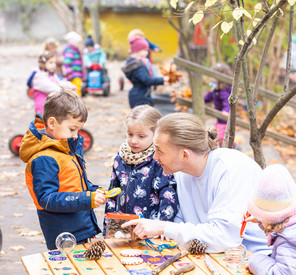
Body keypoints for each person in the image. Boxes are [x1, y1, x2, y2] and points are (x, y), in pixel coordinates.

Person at [122, 112, 271, 254]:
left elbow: (224, 238)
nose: (154, 157)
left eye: (159, 151)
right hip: (211, 255)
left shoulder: (231, 168)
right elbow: (181, 223)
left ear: (184, 154)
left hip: (255, 257)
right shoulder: (181, 173)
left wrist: (163, 227)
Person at [19, 89, 106, 250]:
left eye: (78, 130)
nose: (76, 135)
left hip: (79, 228)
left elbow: (75, 183)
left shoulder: (65, 148)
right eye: (72, 129)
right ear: (52, 123)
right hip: (64, 235)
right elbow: (47, 199)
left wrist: (94, 190)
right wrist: (87, 199)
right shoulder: (44, 158)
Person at [104, 105, 178, 223]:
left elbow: (167, 195)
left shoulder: (159, 161)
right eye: (130, 134)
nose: (134, 140)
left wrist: (163, 226)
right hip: (124, 227)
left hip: (149, 229)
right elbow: (112, 194)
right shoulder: (120, 159)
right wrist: (109, 226)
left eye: (141, 136)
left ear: (155, 135)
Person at [246, 164, 296, 274]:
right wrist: (262, 221)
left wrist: (255, 261)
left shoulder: (289, 241)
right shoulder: (293, 225)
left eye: (261, 215)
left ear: (271, 218)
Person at [121, 36, 169, 108]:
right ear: (138, 50)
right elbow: (147, 80)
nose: (147, 52)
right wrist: (163, 79)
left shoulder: (135, 64)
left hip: (139, 94)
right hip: (141, 97)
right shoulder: (138, 66)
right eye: (146, 50)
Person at [30, 51, 74, 118]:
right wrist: (63, 90)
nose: (54, 65)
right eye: (51, 63)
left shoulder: (52, 75)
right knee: (43, 125)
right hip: (43, 107)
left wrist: (68, 85)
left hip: (51, 106)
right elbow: (49, 87)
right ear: (43, 64)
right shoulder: (39, 76)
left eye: (54, 63)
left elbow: (58, 82)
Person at [204, 63, 233, 146]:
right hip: (219, 119)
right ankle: (226, 145)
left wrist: (226, 110)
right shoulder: (215, 89)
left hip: (224, 119)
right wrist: (202, 99)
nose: (211, 79)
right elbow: (208, 97)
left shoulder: (223, 91)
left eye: (213, 77)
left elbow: (227, 101)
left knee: (221, 136)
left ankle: (233, 145)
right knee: (217, 133)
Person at [63, 31, 84, 96]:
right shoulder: (70, 51)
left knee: (75, 87)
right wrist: (69, 73)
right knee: (77, 86)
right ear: (73, 42)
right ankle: (77, 99)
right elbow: (67, 63)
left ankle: (76, 99)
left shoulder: (75, 50)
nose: (79, 44)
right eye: (78, 42)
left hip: (77, 73)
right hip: (73, 73)